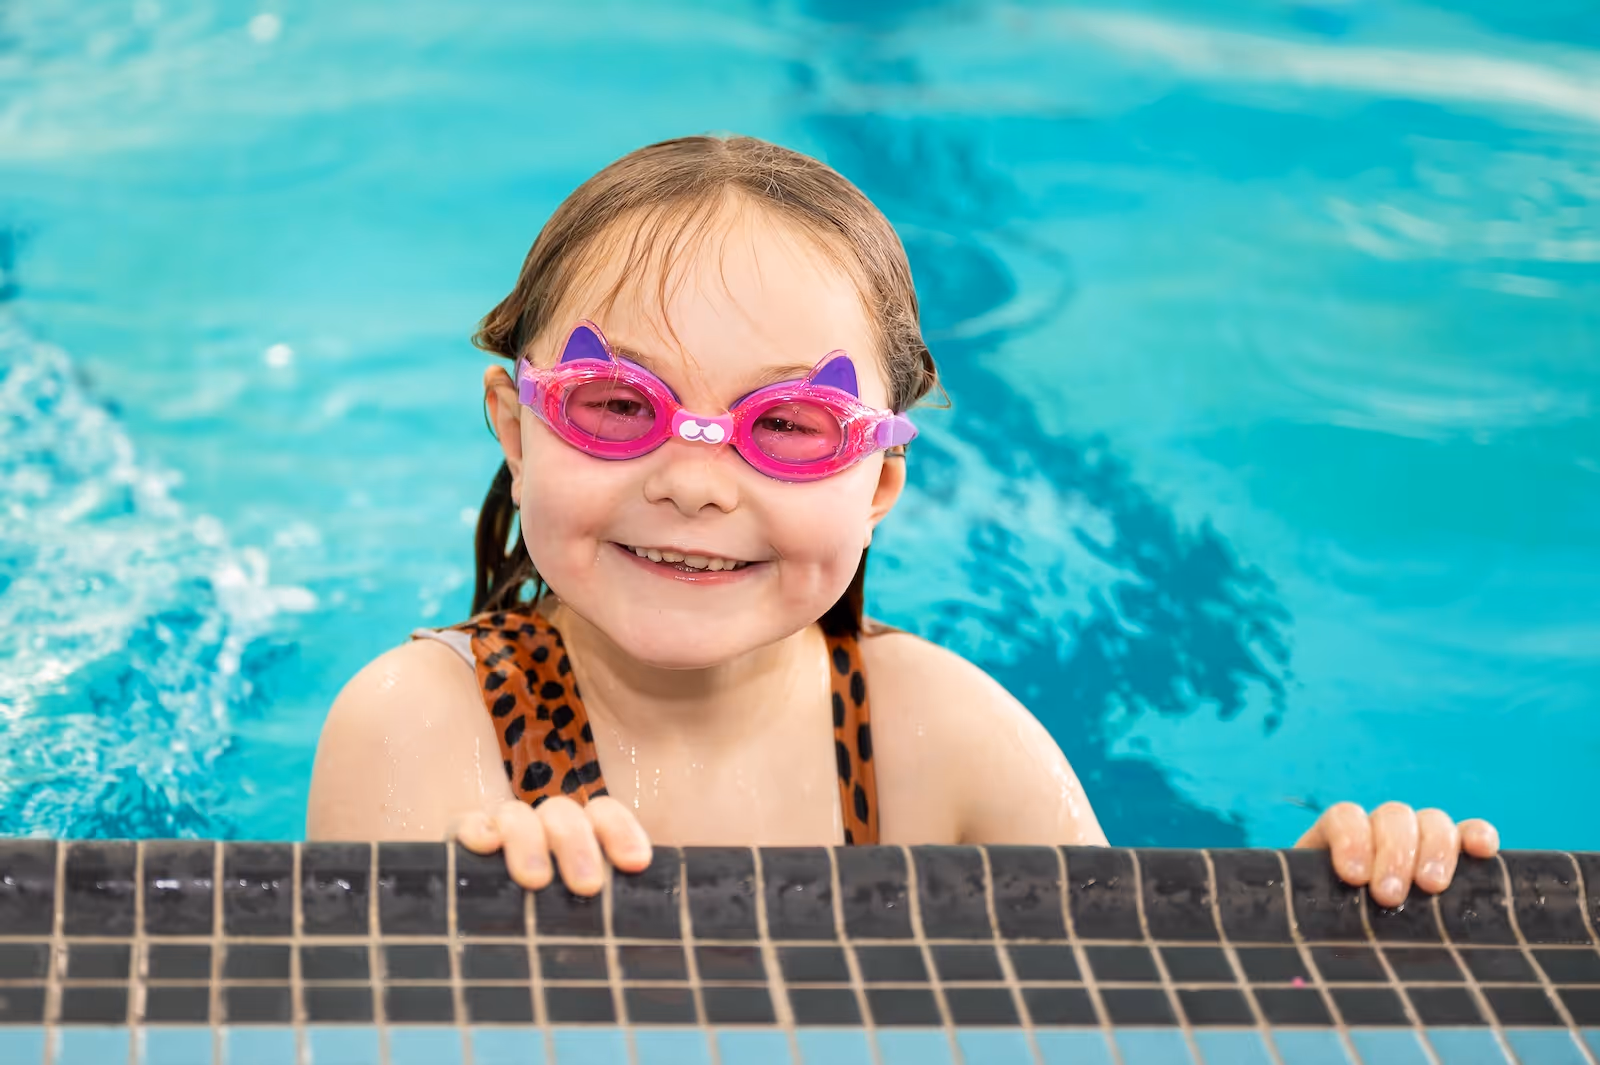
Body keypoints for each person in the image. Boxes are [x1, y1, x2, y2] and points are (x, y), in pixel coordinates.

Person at [306, 135, 1497, 906]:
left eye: (789, 426)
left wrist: (1312, 914)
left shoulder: (942, 737)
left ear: (876, 487)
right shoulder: (419, 731)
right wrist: (476, 957)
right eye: (620, 405)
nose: (695, 480)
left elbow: (1126, 1015)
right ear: (515, 431)